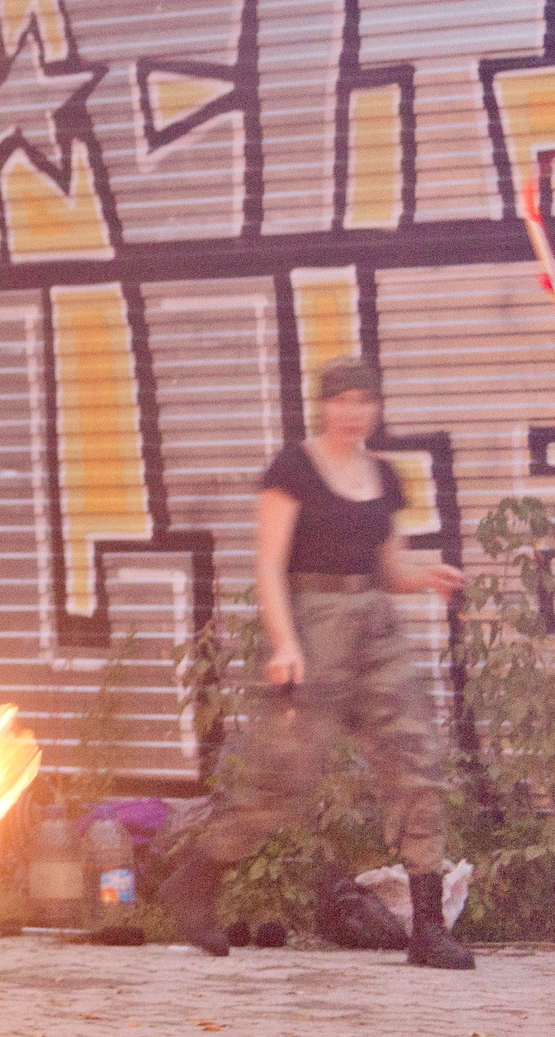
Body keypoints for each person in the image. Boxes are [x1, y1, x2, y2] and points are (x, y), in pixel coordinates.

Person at [160, 359, 472, 970]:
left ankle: (429, 931)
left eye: (365, 400)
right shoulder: (292, 470)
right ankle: (194, 881)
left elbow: (387, 568)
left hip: (374, 624)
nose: (354, 410)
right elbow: (270, 566)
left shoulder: (384, 475)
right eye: (343, 399)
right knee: (281, 782)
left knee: (416, 765)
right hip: (312, 620)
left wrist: (422, 579)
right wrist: (285, 642)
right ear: (323, 405)